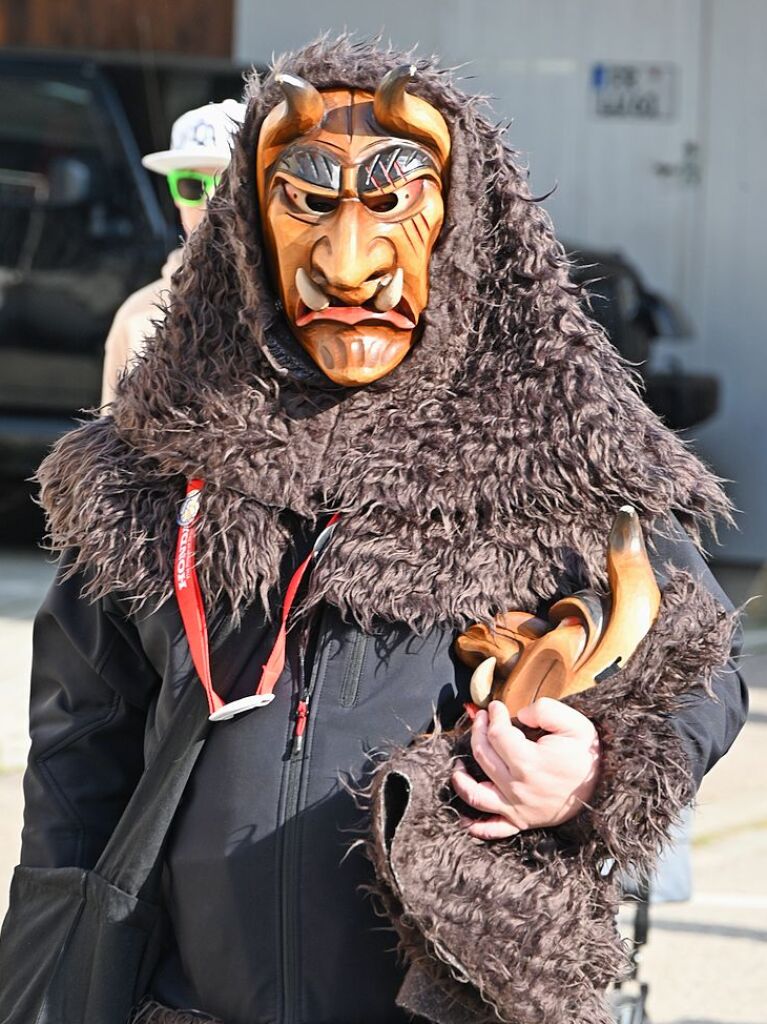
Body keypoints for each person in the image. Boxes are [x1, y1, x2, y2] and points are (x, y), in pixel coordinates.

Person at [8, 37, 747, 1024]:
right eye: (309, 204)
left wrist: (594, 767)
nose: (348, 264)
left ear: (462, 231)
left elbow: (702, 669)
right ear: (249, 236)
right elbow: (79, 752)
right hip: (185, 1001)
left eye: (390, 204)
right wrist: (53, 982)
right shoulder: (156, 462)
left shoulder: (554, 454)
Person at [100, 99, 246, 406]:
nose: (211, 202)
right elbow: (108, 445)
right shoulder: (136, 317)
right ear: (175, 197)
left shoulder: (293, 310)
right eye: (192, 185)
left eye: (229, 184)